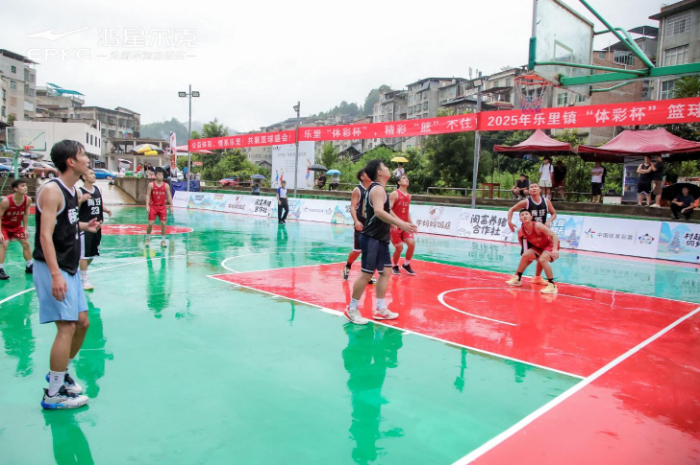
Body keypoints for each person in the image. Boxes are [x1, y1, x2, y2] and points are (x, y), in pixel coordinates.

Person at [34, 140, 101, 409]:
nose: (87, 160)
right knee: (67, 327)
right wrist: (55, 275)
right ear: (71, 162)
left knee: (82, 323)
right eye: (83, 155)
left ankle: (59, 374)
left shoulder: (72, 190)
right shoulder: (52, 191)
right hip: (54, 267)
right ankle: (53, 394)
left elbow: (68, 224)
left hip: (69, 266)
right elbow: (45, 236)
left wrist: (85, 225)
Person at [345, 160, 417, 325]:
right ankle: (352, 309)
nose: (388, 169)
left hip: (381, 238)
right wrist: (400, 224)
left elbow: (386, 210)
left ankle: (380, 308)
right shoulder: (377, 189)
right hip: (372, 237)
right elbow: (378, 211)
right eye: (385, 167)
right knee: (366, 273)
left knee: (385, 272)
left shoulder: (380, 189)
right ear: (379, 172)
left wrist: (399, 222)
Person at [507, 182, 557, 285]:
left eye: (535, 187)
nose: (534, 188)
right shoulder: (526, 202)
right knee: (527, 256)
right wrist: (509, 221)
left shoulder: (546, 201)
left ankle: (537, 277)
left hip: (540, 232)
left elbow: (554, 214)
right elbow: (511, 209)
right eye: (531, 187)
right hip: (528, 234)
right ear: (529, 191)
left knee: (540, 257)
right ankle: (517, 276)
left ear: (540, 189)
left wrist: (548, 221)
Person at [506, 209, 560, 294]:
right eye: (522, 215)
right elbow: (520, 238)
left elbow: (554, 236)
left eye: (526, 214)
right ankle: (518, 279)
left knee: (542, 260)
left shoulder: (538, 226)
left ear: (531, 217)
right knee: (525, 255)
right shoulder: (521, 230)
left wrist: (555, 249)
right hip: (539, 247)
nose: (524, 216)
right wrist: (525, 248)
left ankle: (552, 285)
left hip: (550, 244)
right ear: (520, 219)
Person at [78, 169, 112, 290]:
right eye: (91, 173)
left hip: (97, 227)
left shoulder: (97, 189)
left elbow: (99, 204)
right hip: (85, 227)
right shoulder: (79, 191)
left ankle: (80, 272)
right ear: (84, 177)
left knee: (92, 254)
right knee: (84, 254)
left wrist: (107, 210)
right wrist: (81, 200)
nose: (94, 175)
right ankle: (84, 279)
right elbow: (73, 206)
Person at [342, 169, 375, 283]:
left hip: (372, 224)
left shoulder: (374, 189)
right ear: (362, 177)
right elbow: (352, 207)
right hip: (361, 223)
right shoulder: (358, 190)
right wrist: (356, 221)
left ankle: (368, 274)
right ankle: (348, 265)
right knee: (357, 250)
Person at [0, 178, 33, 280]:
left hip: (16, 226)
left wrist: (25, 229)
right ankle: (0, 269)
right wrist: (0, 232)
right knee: (4, 244)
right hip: (4, 226)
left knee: (26, 243)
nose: (25, 187)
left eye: (26, 185)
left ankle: (29, 266)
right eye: (22, 186)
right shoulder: (6, 201)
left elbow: (26, 214)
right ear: (15, 189)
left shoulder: (28, 200)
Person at [390, 175, 416, 275]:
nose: (407, 179)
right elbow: (389, 209)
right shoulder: (394, 194)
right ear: (399, 182)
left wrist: (411, 224)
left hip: (405, 225)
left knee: (411, 243)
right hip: (396, 225)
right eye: (404, 178)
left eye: (407, 178)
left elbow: (407, 211)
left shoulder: (409, 196)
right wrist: (397, 221)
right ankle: (394, 265)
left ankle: (406, 264)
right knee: (399, 247)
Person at [145, 167, 173, 248]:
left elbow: (169, 196)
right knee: (150, 224)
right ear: (155, 175)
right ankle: (147, 238)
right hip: (153, 207)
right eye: (159, 174)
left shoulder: (166, 185)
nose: (161, 176)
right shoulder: (151, 185)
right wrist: (147, 205)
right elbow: (148, 195)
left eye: (162, 175)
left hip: (162, 207)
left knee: (163, 223)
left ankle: (163, 240)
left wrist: (171, 206)